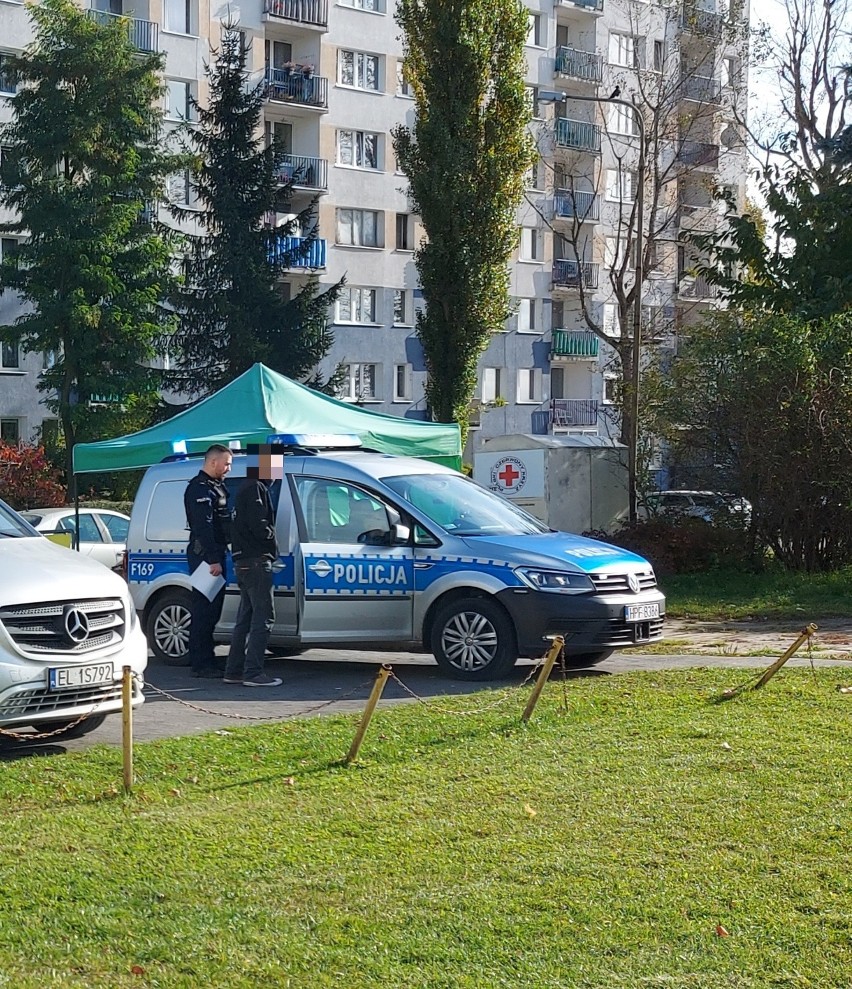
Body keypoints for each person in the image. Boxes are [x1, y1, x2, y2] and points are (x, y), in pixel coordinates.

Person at [223, 445, 284, 687]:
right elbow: (259, 525)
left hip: (244, 561)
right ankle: (253, 672)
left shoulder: (245, 487)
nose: (277, 471)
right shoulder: (256, 487)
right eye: (275, 464)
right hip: (257, 561)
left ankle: (234, 670)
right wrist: (272, 540)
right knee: (264, 618)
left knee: (245, 618)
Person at [185, 443, 233, 677]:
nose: (228, 469)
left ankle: (208, 659)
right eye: (226, 463)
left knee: (213, 610)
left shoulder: (216, 486)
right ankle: (200, 663)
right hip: (205, 557)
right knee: (204, 610)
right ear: (213, 462)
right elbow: (203, 528)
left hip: (215, 555)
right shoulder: (199, 489)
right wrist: (213, 560)